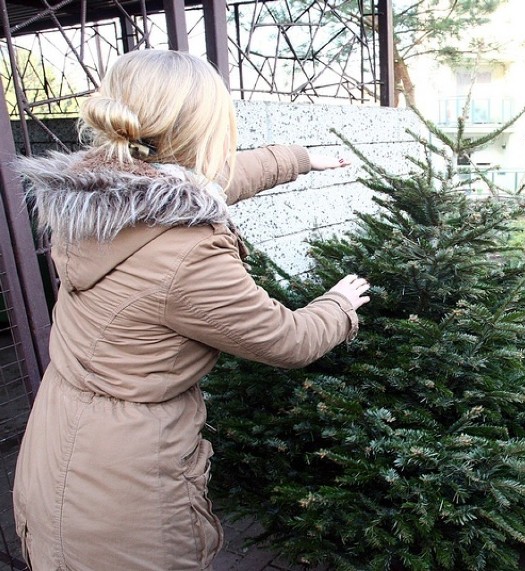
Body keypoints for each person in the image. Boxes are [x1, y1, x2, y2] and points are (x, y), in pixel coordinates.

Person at [12, 49, 370, 571]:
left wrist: (298, 158)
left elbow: (202, 184)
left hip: (61, 439)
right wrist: (339, 305)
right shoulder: (188, 251)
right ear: (202, 132)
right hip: (124, 491)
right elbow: (285, 339)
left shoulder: (95, 199)